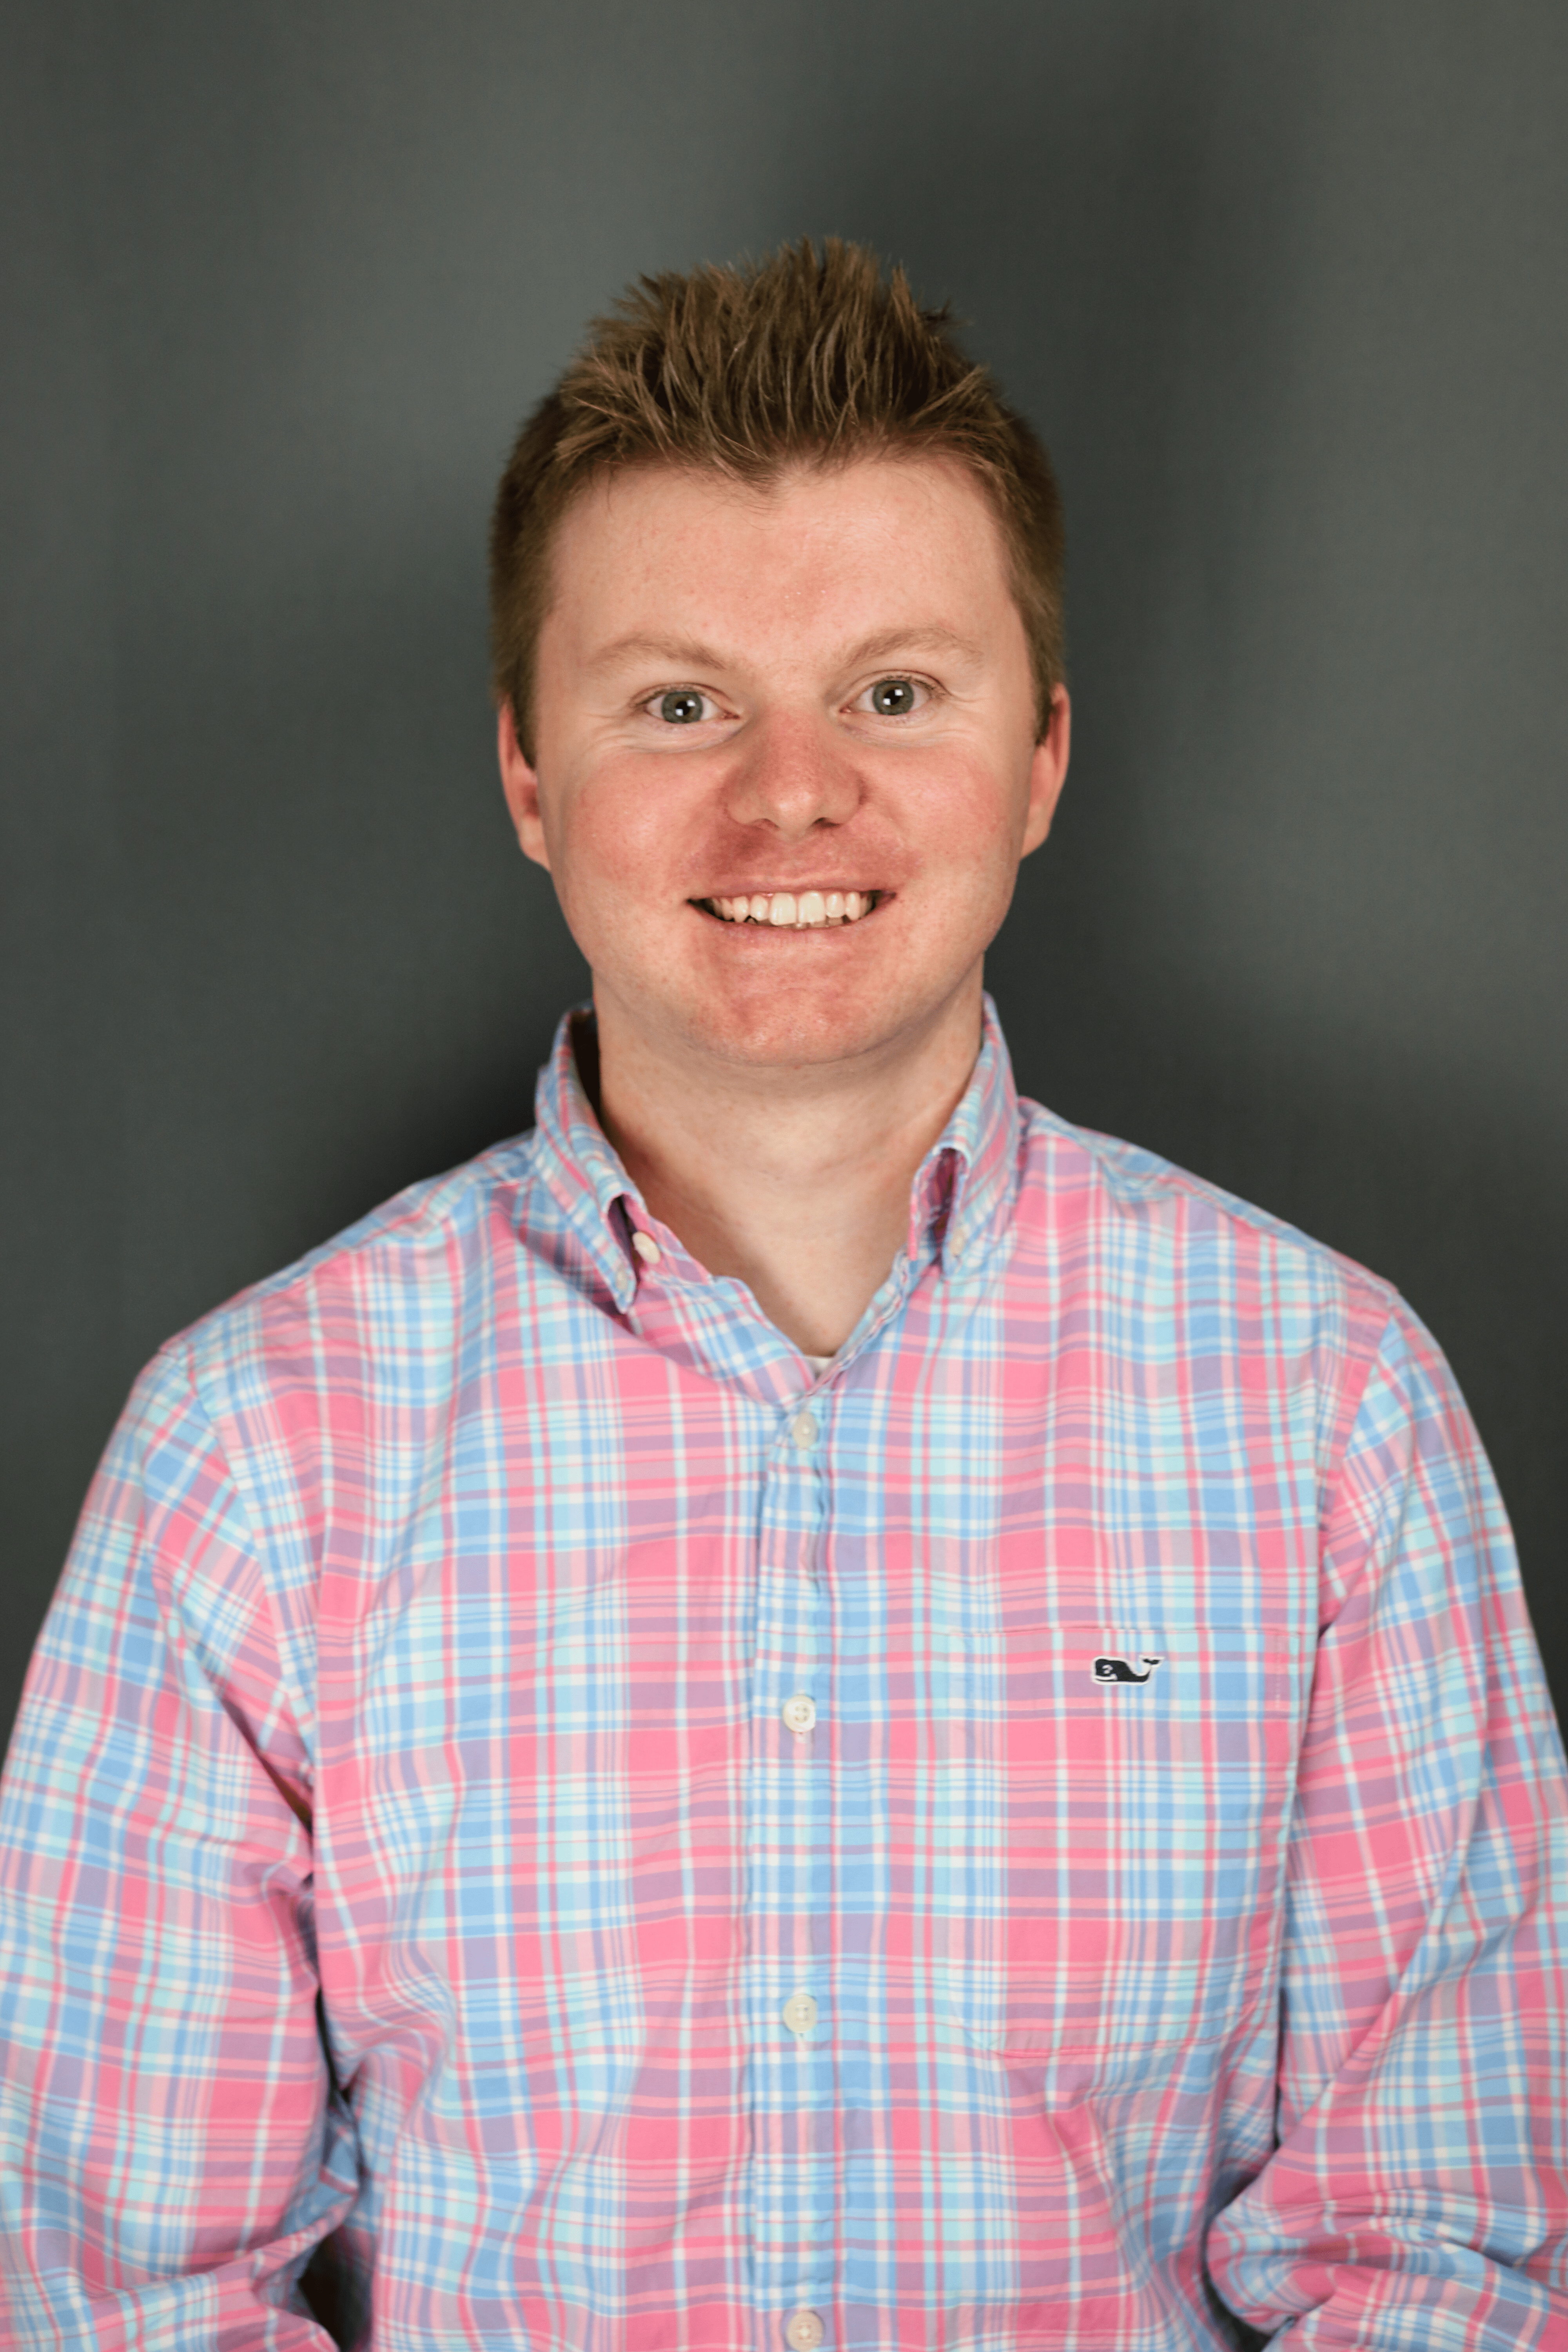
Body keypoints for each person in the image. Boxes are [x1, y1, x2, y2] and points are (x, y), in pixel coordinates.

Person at [1, 238, 1564, 2351]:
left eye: (895, 694)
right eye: (679, 702)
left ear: (1040, 759)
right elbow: (117, 2296)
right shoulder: (253, 1455)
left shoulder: (1330, 1407)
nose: (792, 789)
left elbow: (1446, 2257)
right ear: (529, 777)